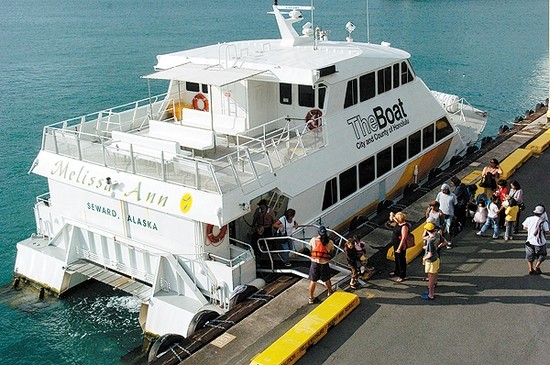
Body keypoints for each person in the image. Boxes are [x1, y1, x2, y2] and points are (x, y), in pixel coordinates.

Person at [308, 226, 335, 303]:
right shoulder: (329, 242)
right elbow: (332, 251)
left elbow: (310, 249)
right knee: (327, 279)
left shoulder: (313, 240)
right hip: (324, 263)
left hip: (314, 263)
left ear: (318, 233)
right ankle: (330, 291)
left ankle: (311, 298)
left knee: (313, 281)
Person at [522, 205, 550, 275]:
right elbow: (547, 231)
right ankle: (537, 266)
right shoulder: (543, 222)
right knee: (542, 255)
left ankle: (530, 269)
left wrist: (531, 230)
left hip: (530, 241)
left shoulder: (529, 219)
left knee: (529, 256)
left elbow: (524, 227)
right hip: (540, 242)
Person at [421, 222, 443, 300]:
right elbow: (444, 242)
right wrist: (437, 247)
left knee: (430, 279)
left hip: (431, 261)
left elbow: (429, 254)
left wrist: (424, 258)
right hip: (436, 258)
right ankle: (432, 292)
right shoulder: (437, 234)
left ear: (427, 230)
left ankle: (431, 294)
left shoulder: (430, 240)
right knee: (434, 275)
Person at [388, 211, 409, 282]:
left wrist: (399, 248)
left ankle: (402, 275)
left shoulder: (404, 226)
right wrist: (391, 214)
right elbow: (392, 219)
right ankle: (397, 271)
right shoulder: (398, 223)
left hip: (400, 245)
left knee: (401, 260)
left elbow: (403, 238)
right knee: (397, 258)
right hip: (396, 244)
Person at [436, 183, 457, 248]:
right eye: (442, 190)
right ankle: (441, 241)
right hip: (441, 214)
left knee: (448, 229)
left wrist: (455, 214)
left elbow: (456, 204)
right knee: (440, 228)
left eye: (444, 190)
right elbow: (437, 202)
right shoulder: (439, 194)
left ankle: (447, 242)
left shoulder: (452, 196)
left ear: (447, 189)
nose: (442, 191)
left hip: (449, 215)